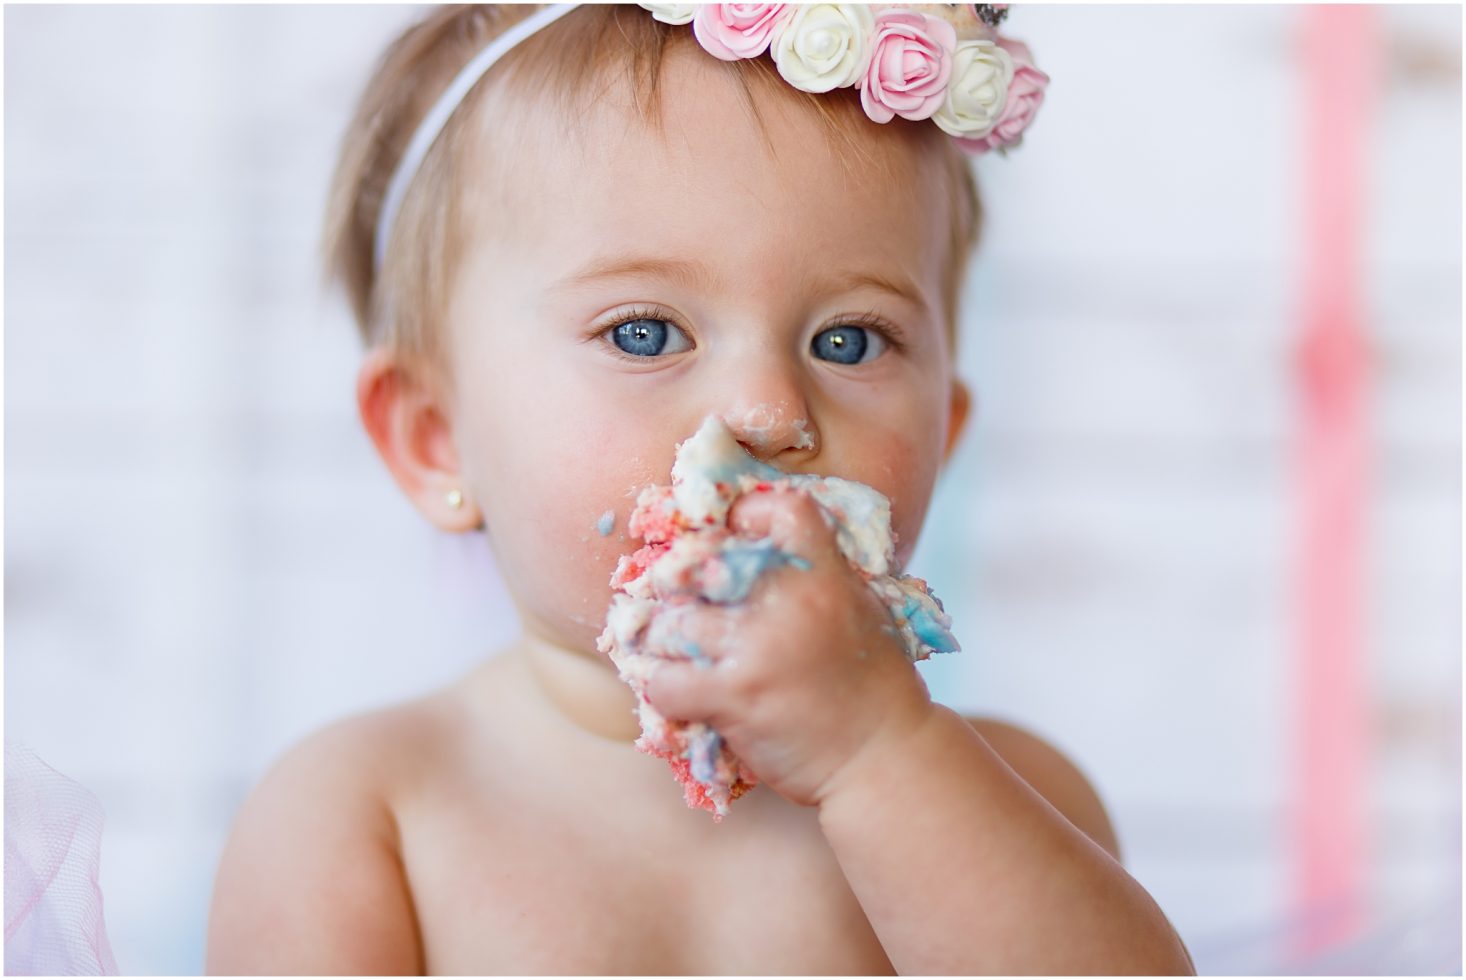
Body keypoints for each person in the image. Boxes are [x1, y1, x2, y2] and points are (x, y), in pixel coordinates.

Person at [206, 4, 1195, 973]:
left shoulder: (1018, 799)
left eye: (846, 340)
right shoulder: (363, 819)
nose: (766, 412)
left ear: (946, 431)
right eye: (643, 332)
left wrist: (877, 754)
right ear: (436, 438)